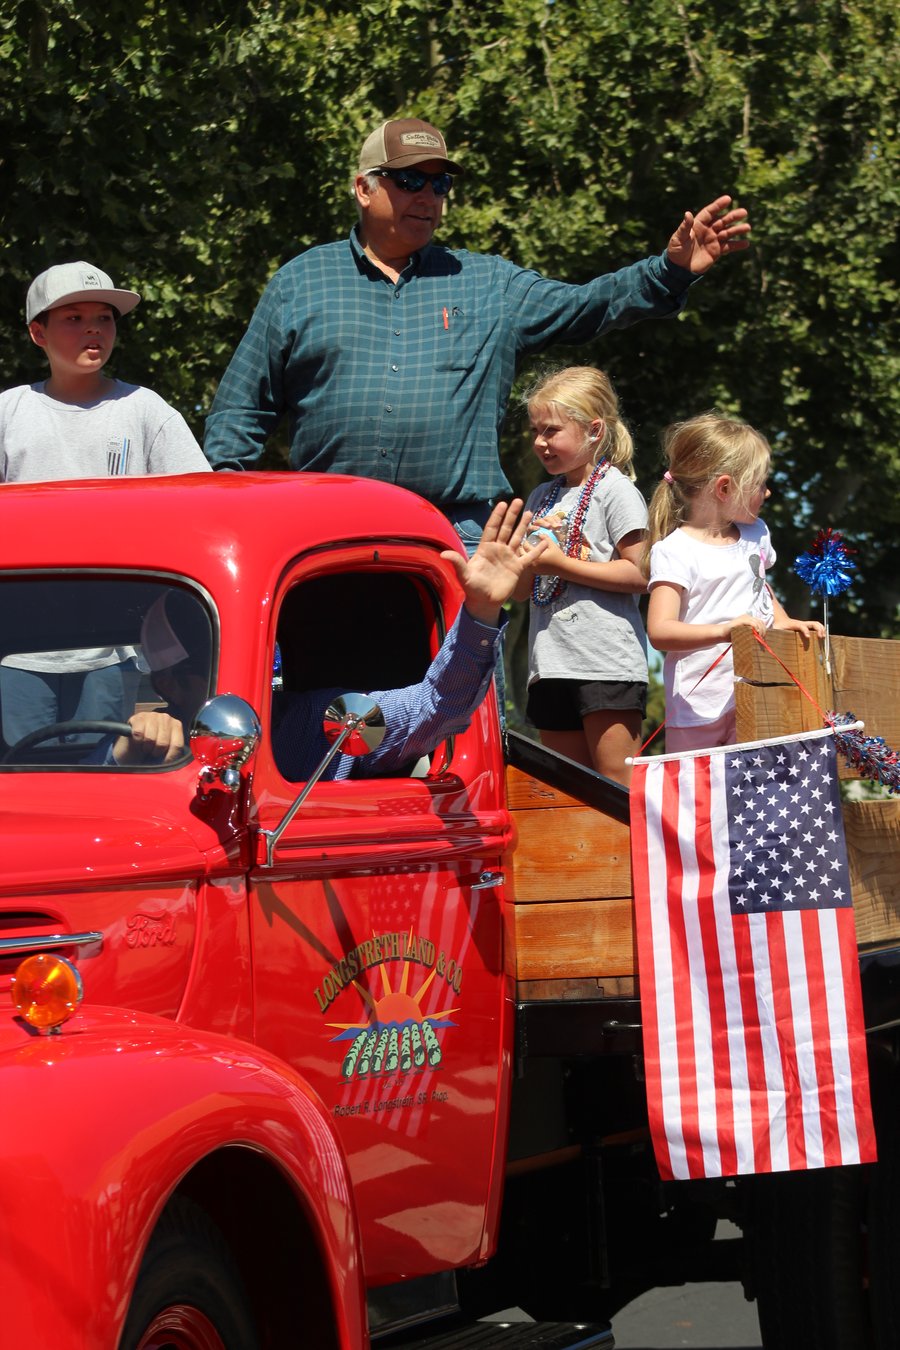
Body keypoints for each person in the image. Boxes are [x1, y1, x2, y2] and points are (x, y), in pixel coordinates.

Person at [204, 115, 751, 550]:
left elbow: (589, 306)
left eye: (439, 184)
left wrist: (670, 269)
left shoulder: (489, 283)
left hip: (458, 537)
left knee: (465, 690)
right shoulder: (301, 280)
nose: (428, 196)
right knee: (326, 691)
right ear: (363, 189)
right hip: (325, 532)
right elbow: (241, 411)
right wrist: (231, 514)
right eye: (409, 180)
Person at [110, 499, 550, 778]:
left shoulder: (322, 720)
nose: (245, 683)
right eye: (212, 669)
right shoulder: (143, 737)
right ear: (168, 685)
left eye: (254, 659)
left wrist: (480, 612)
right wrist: (129, 750)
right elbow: (72, 786)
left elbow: (433, 708)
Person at [0, 261, 211, 748]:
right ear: (38, 333)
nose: (93, 327)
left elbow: (204, 505)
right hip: (16, 651)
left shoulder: (144, 410)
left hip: (113, 649)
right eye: (73, 318)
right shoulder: (12, 411)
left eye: (105, 317)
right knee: (25, 786)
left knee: (99, 779)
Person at [644, 413, 825, 753]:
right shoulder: (673, 551)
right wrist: (727, 630)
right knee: (699, 799)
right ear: (724, 487)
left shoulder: (757, 534)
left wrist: (785, 622)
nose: (767, 492)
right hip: (698, 707)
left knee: (755, 796)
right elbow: (659, 631)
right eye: (759, 483)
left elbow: (760, 588)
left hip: (757, 694)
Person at [512, 367, 647, 785]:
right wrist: (516, 562)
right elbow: (521, 592)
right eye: (535, 430)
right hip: (550, 664)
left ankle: (629, 854)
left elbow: (639, 572)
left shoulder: (616, 490)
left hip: (606, 666)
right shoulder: (540, 495)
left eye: (551, 431)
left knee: (614, 787)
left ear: (593, 430)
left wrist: (559, 564)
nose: (539, 442)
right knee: (565, 788)